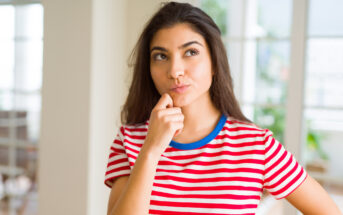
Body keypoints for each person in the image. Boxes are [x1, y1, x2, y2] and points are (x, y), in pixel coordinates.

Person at [105, 2, 342, 215]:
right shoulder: (131, 141)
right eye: (160, 56)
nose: (175, 70)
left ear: (215, 62)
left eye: (191, 52)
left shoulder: (255, 144)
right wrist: (151, 150)